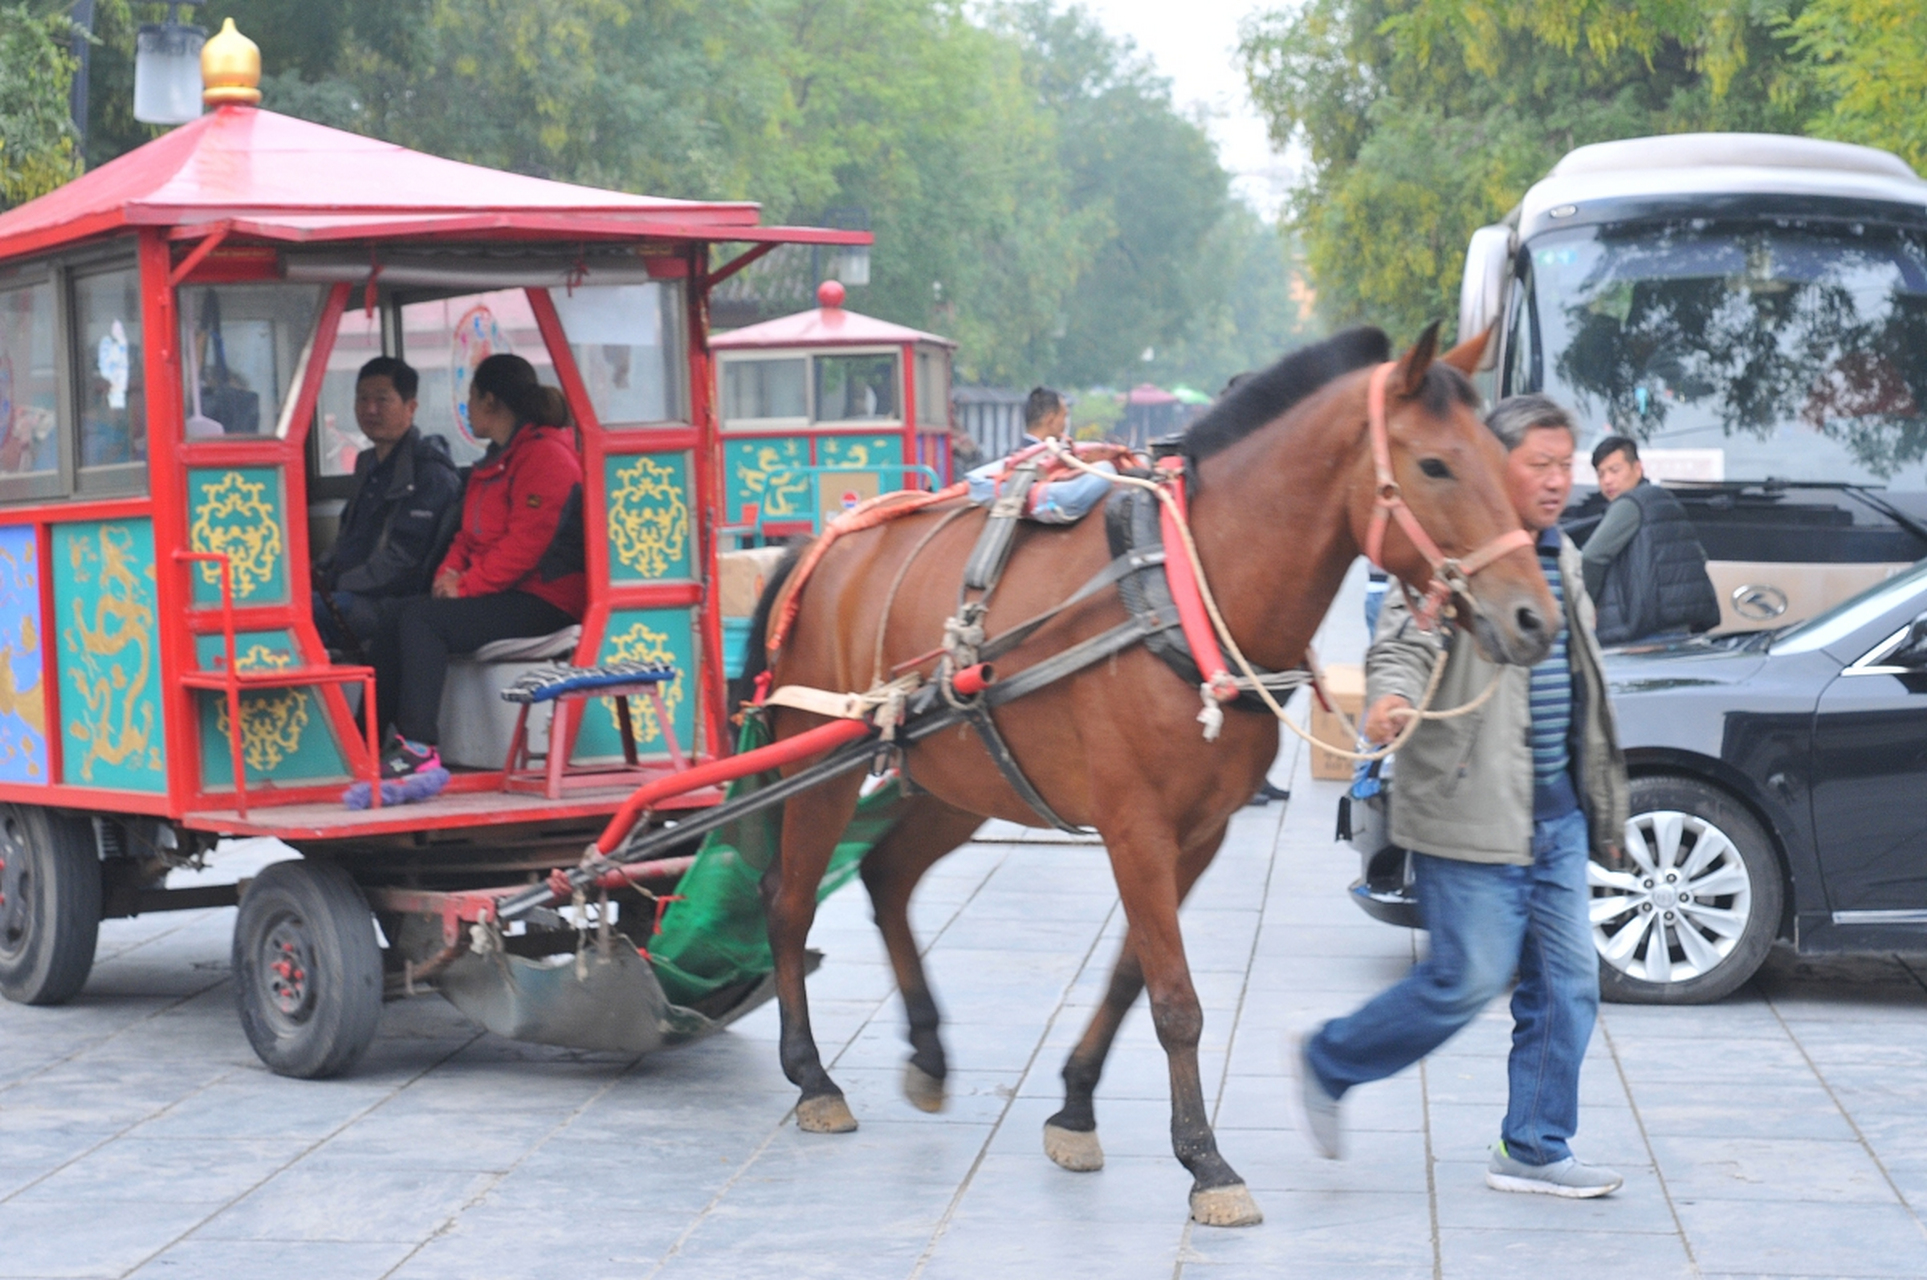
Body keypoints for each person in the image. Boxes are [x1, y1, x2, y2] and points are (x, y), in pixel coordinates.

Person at [1296, 393, 1630, 1198]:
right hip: (1468, 816)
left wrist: (1604, 812)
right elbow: (1403, 646)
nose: (1555, 481)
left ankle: (1533, 1147)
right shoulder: (1445, 558)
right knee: (1466, 980)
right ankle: (1329, 1058)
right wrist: (1389, 700)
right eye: (1536, 464)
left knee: (1568, 986)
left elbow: (1586, 694)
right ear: (1491, 463)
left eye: (1564, 464)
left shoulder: (1563, 556)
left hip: (1552, 820)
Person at [369, 355, 586, 779]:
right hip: (499, 592)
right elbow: (466, 537)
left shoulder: (546, 458)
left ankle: (419, 746)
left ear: (490, 400)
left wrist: (466, 587)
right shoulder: (493, 462)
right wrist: (446, 578)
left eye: (470, 397)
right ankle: (365, 741)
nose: (467, 408)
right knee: (393, 618)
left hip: (545, 600)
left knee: (422, 621)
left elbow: (526, 545)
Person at [312, 357, 462, 652]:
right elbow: (346, 540)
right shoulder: (366, 463)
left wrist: (336, 586)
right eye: (362, 399)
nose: (370, 410)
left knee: (298, 616)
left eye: (383, 400)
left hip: (388, 603)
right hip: (347, 591)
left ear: (411, 407)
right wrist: (317, 575)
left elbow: (402, 563)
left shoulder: (431, 473)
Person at [1582, 435, 1720, 646]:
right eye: (1601, 474)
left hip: (1643, 633)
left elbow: (1592, 556)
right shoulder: (1664, 500)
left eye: (1614, 470)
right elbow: (1698, 556)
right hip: (1681, 627)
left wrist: (1585, 605)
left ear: (1638, 468)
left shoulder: (1629, 504)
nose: (1607, 480)